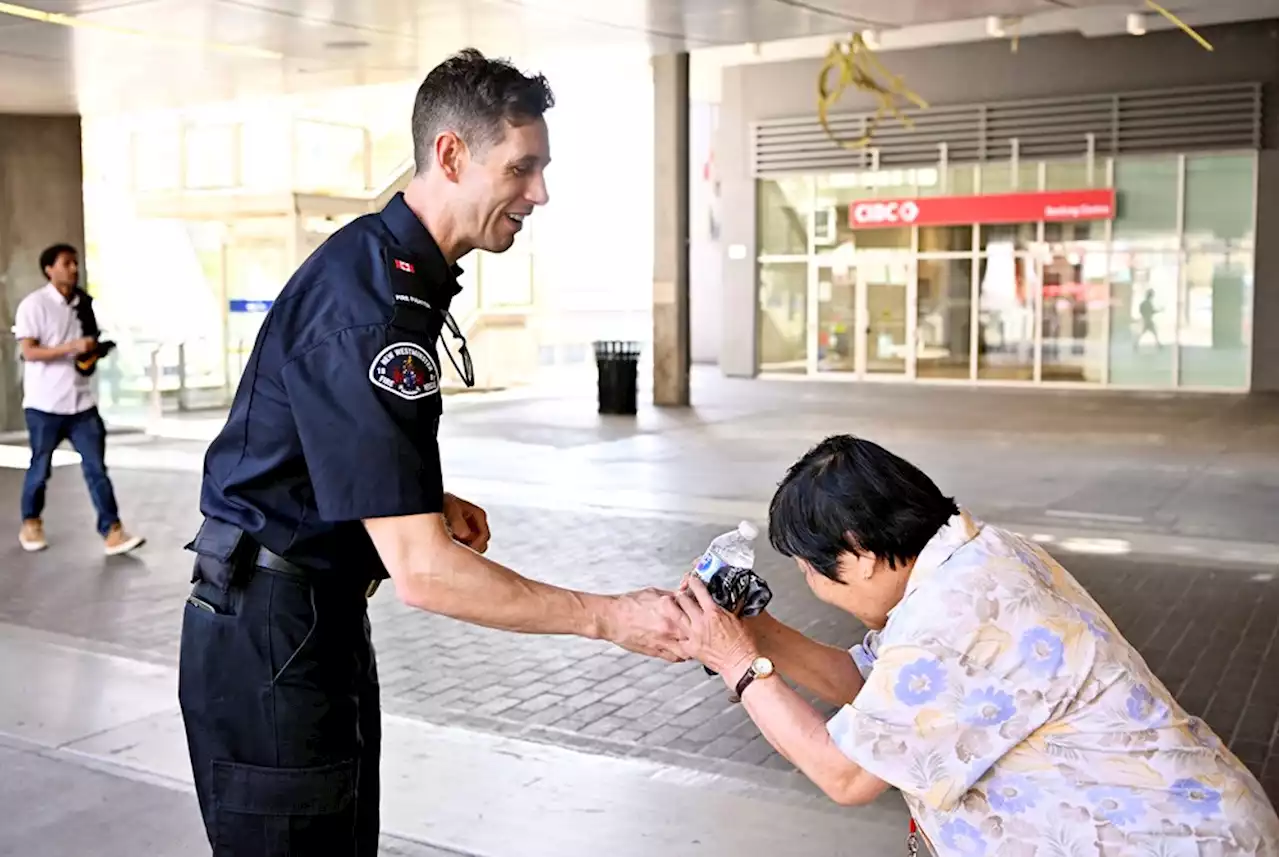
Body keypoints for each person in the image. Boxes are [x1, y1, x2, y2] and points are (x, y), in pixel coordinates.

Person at [177, 48, 687, 856]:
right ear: (451, 154)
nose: (540, 193)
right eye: (522, 168)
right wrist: (610, 617)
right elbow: (424, 572)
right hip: (273, 638)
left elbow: (308, 440)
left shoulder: (396, 275)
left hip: (308, 619)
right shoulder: (374, 300)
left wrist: (412, 496)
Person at [672, 435, 1280, 857]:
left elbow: (845, 776)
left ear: (856, 551)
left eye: (810, 569)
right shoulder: (973, 557)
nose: (811, 584)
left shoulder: (955, 612)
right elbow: (874, 686)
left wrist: (735, 661)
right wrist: (755, 629)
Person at [12, 243, 144, 556]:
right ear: (49, 269)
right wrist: (71, 346)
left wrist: (92, 351)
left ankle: (113, 531)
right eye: (67, 263)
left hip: (82, 404)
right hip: (44, 407)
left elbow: (87, 350)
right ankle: (31, 522)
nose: (74, 268)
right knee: (40, 468)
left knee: (97, 469)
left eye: (75, 263)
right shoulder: (34, 305)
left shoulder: (84, 304)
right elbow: (29, 351)